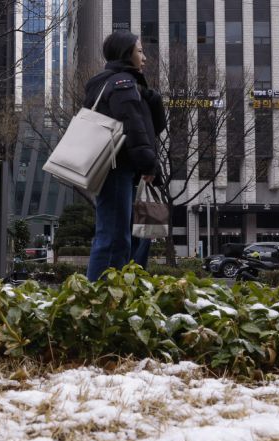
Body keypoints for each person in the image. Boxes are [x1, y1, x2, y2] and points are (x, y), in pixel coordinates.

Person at [83, 31, 166, 280]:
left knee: (124, 236)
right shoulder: (122, 84)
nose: (145, 57)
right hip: (118, 168)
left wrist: (150, 98)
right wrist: (149, 165)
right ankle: (98, 299)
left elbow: (147, 124)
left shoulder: (112, 82)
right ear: (126, 53)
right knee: (114, 237)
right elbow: (133, 126)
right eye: (139, 51)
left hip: (117, 168)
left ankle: (116, 293)